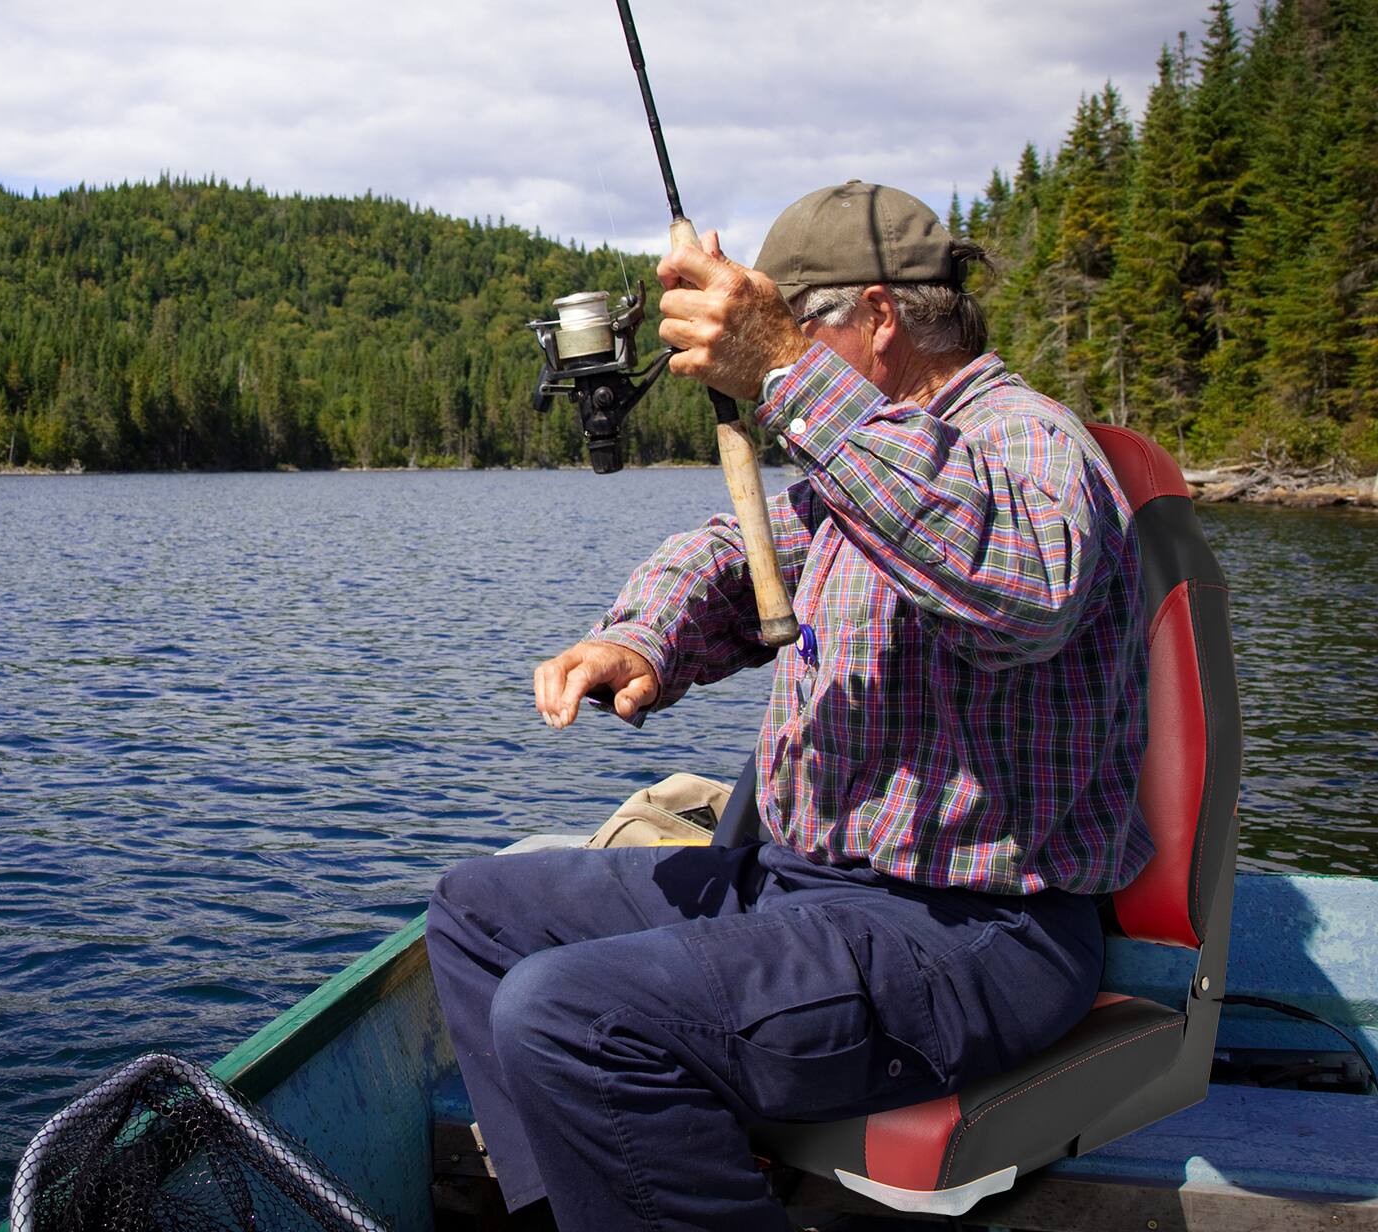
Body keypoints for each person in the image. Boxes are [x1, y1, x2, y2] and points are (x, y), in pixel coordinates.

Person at [426, 182, 1152, 1232]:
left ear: (880, 315)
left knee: (569, 1012)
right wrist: (639, 637)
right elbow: (740, 558)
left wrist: (777, 369)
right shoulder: (870, 458)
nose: (770, 360)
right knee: (479, 907)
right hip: (801, 891)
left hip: (972, 932)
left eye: (796, 326)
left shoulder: (1024, 441)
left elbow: (1020, 591)